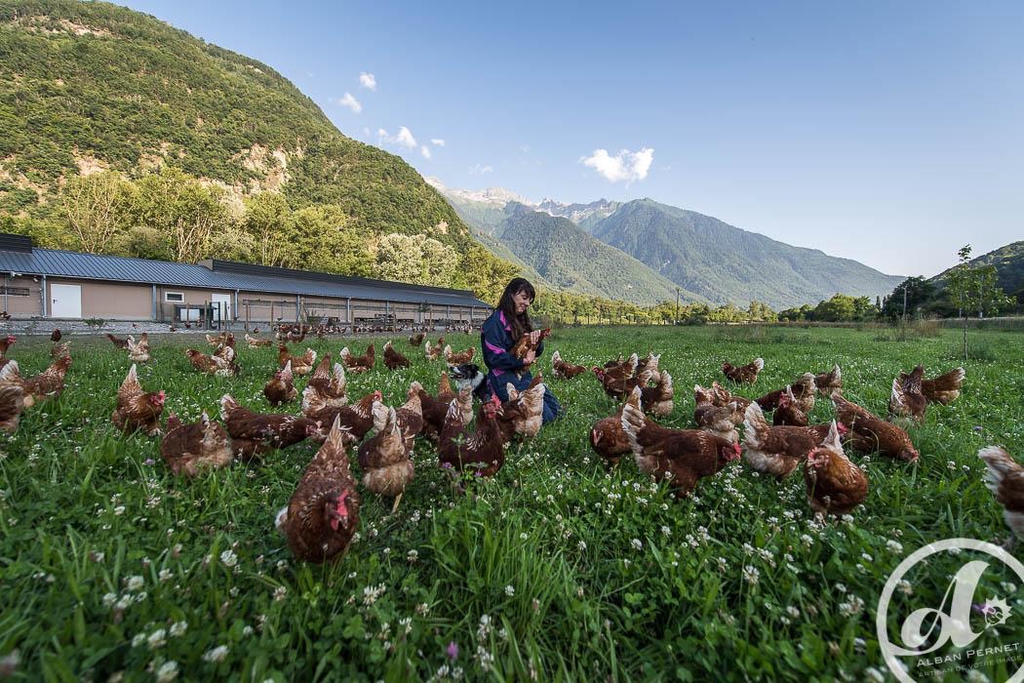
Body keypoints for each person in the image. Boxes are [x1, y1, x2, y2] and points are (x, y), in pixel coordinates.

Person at [480, 278, 562, 424]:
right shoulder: (494, 323)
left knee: (557, 412)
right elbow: (493, 358)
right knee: (546, 418)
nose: (527, 303)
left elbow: (536, 351)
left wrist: (536, 341)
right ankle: (492, 393)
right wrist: (522, 360)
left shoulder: (520, 320)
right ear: (511, 294)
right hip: (503, 378)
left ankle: (505, 401)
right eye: (524, 298)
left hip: (523, 375)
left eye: (529, 300)